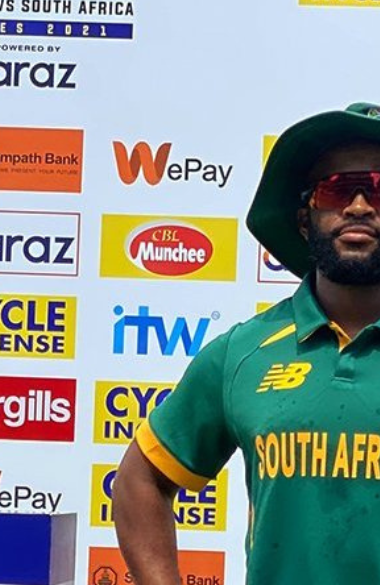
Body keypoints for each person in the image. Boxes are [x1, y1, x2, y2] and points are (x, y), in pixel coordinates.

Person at [114, 102, 380, 584]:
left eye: (379, 189)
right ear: (304, 220)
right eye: (337, 189)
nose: (359, 207)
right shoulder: (244, 352)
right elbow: (140, 481)